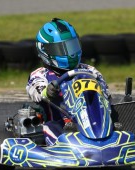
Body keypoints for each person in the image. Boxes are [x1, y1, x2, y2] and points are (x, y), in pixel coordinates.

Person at [26, 18, 109, 146]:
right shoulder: (40, 74)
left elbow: (105, 94)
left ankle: (105, 138)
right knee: (50, 126)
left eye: (72, 46)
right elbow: (35, 90)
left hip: (95, 121)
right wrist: (47, 91)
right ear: (45, 51)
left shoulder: (89, 71)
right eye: (61, 49)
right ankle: (64, 147)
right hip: (61, 125)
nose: (70, 53)